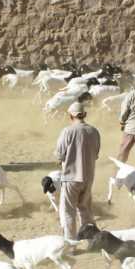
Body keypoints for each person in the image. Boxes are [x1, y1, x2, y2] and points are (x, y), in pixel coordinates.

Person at [55, 102, 101, 241]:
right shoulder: (94, 131)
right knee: (86, 210)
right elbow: (96, 154)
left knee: (69, 212)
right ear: (84, 114)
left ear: (71, 116)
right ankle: (92, 240)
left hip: (71, 177)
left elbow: (59, 154)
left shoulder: (67, 131)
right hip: (88, 177)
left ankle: (70, 242)